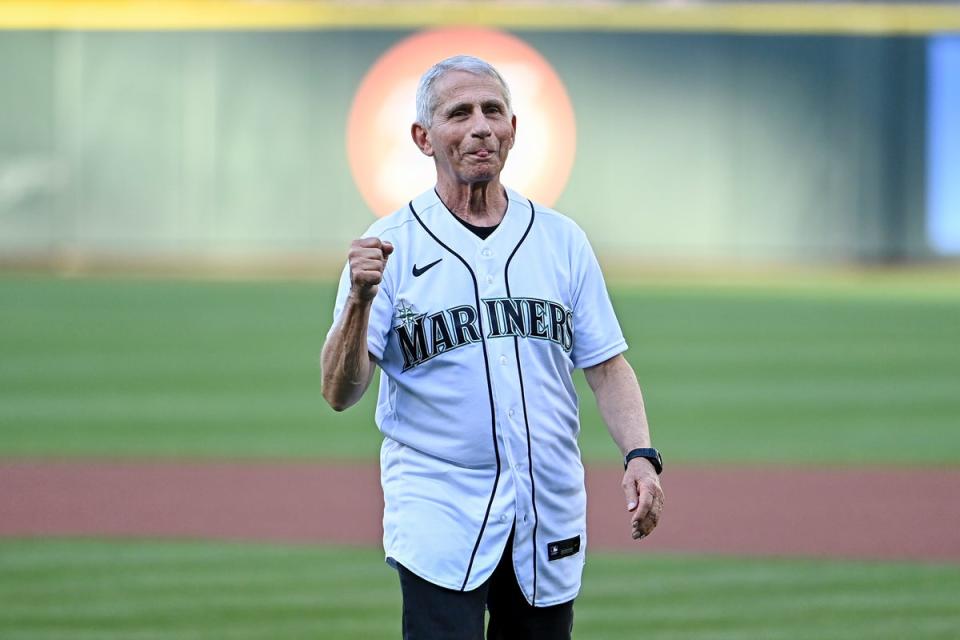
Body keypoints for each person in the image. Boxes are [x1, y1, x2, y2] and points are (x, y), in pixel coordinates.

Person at [321, 54, 664, 640]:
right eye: (460, 113)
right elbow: (339, 391)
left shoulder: (560, 240)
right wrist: (358, 301)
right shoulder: (390, 247)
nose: (481, 126)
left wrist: (640, 455)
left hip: (545, 502)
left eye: (493, 111)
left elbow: (607, 366)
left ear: (513, 129)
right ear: (423, 139)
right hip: (438, 509)